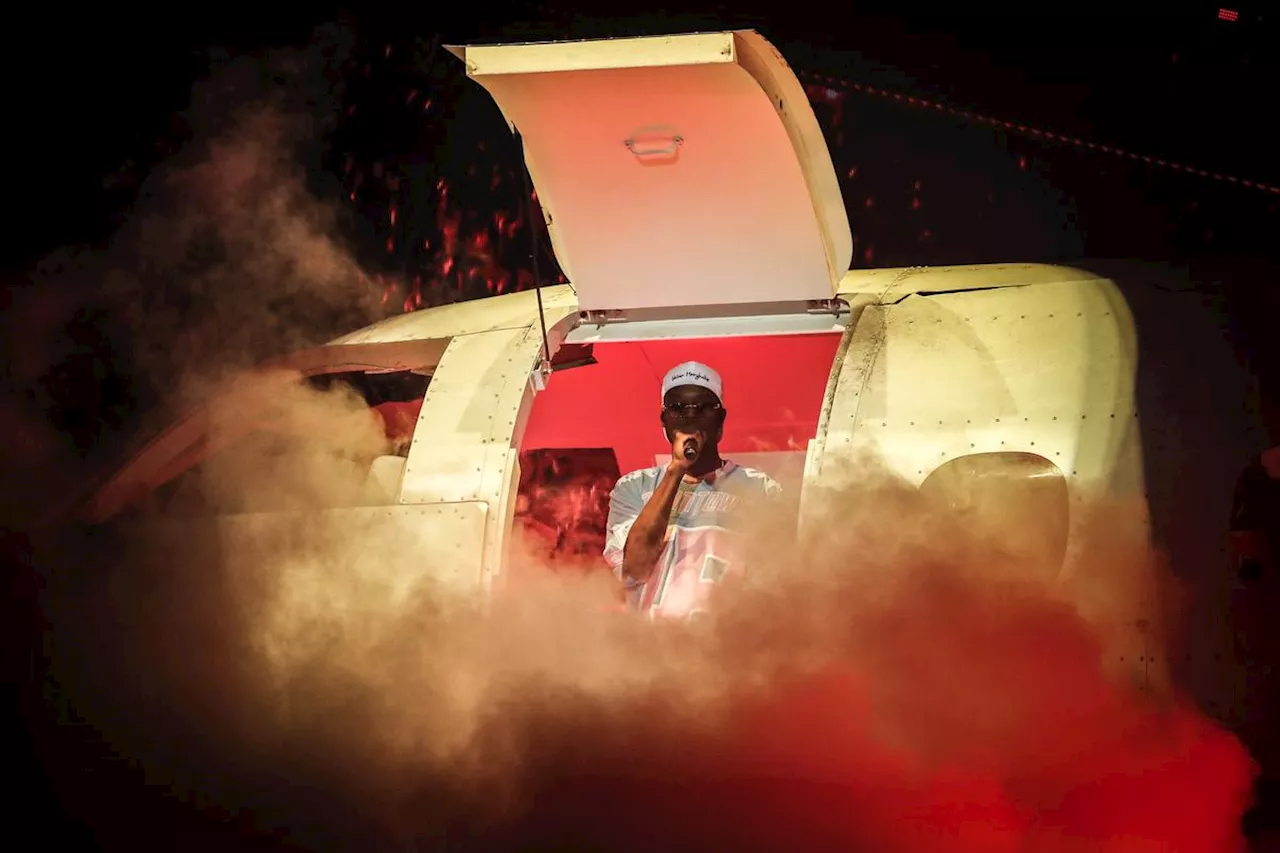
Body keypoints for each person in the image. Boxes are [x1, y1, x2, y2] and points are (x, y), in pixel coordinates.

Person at [603, 361, 782, 620]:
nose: (690, 415)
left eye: (703, 407)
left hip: (726, 647)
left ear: (721, 418)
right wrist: (676, 469)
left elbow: (773, 581)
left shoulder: (758, 488)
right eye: (677, 408)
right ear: (664, 420)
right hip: (648, 649)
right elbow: (634, 571)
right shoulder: (633, 487)